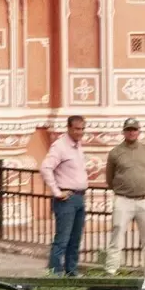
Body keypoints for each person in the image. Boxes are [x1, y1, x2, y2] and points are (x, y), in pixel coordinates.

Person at [104, 118, 145, 276]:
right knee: (117, 236)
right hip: (123, 199)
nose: (131, 132)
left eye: (134, 129)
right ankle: (111, 270)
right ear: (123, 132)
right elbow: (110, 177)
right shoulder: (115, 152)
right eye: (128, 130)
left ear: (138, 131)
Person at [41, 114, 89, 277]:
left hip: (79, 197)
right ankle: (55, 272)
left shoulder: (78, 146)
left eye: (82, 129)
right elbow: (46, 168)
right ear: (68, 128)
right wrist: (56, 192)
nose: (79, 132)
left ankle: (71, 270)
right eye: (76, 129)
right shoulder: (60, 146)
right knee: (62, 238)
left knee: (75, 238)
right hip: (66, 198)